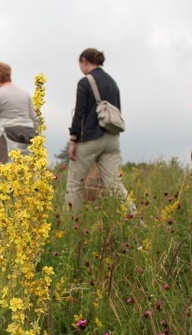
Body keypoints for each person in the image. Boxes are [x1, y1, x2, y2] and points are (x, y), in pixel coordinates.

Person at [65, 48, 135, 216]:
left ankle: (71, 225)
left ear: (84, 61)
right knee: (114, 185)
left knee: (75, 184)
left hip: (90, 138)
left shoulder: (85, 81)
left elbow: (79, 113)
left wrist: (73, 139)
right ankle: (135, 220)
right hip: (111, 138)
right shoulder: (112, 82)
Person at [0, 62, 38, 177]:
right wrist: (38, 139)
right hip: (28, 135)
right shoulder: (25, 94)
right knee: (25, 173)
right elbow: (34, 118)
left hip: (6, 135)